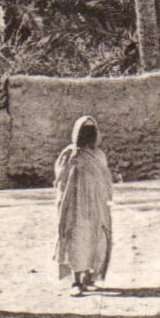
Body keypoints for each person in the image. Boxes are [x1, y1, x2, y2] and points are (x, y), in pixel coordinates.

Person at [54, 115, 113, 295]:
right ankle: (76, 281)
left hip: (96, 205)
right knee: (78, 240)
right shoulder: (70, 154)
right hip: (76, 206)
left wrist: (106, 198)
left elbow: (105, 180)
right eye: (84, 131)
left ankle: (89, 277)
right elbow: (61, 180)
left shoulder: (99, 155)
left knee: (97, 239)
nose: (88, 135)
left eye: (91, 131)